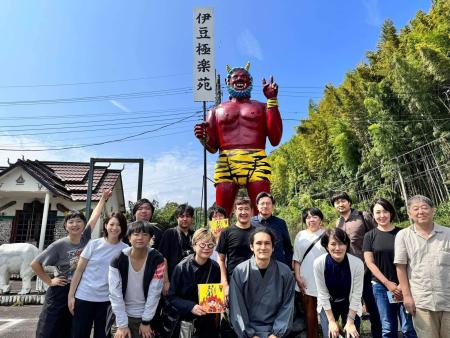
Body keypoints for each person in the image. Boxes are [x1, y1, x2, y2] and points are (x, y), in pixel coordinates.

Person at [194, 63, 283, 216]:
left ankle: (261, 240)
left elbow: (275, 139)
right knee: (220, 213)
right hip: (226, 161)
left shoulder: (262, 107)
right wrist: (203, 137)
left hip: (257, 159)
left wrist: (272, 101)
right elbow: (213, 147)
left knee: (262, 211)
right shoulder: (215, 111)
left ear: (250, 81)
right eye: (235, 77)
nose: (240, 79)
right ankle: (219, 239)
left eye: (244, 77)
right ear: (228, 82)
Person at [31, 189, 112, 338]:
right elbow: (35, 264)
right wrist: (50, 281)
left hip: (79, 290)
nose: (75, 225)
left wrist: (103, 199)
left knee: (72, 327)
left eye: (79, 221)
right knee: (49, 327)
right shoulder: (59, 245)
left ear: (83, 224)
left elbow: (94, 217)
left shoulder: (85, 238)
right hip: (60, 290)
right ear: (66, 226)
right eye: (71, 222)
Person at [394, 195, 450, 338]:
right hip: (421, 302)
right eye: (416, 209)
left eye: (425, 208)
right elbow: (400, 267)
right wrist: (407, 297)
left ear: (433, 211)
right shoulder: (403, 236)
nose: (421, 212)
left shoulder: (447, 234)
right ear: (409, 213)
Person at [68, 211, 129, 338]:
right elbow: (79, 270)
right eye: (111, 224)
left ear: (123, 228)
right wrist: (71, 296)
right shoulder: (93, 244)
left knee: (102, 335)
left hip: (107, 301)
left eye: (119, 225)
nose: (114, 228)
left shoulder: (126, 250)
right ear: (106, 225)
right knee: (79, 334)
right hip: (84, 297)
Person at [363, 198, 417, 338]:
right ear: (373, 215)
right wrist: (388, 284)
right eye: (378, 212)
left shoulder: (404, 233)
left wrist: (402, 285)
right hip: (381, 286)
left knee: (409, 328)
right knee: (387, 328)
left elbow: (411, 260)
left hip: (405, 285)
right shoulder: (369, 236)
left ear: (391, 212)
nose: (382, 215)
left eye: (385, 211)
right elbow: (370, 263)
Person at [331, 191, 382, 338]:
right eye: (337, 202)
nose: (340, 204)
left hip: (367, 270)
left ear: (349, 202)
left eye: (343, 201)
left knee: (373, 307)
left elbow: (375, 236)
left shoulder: (363, 216)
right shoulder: (338, 223)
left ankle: (377, 335)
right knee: (352, 307)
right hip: (349, 272)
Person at [229, 227, 295, 338]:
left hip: (276, 331)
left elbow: (288, 306)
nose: (263, 247)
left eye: (267, 243)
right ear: (251, 246)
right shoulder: (240, 271)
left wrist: (276, 334)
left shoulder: (285, 272)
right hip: (248, 332)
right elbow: (237, 308)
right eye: (258, 243)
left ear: (273, 247)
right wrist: (250, 335)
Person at [108, 221, 165, 338]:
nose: (140, 238)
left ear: (150, 238)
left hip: (147, 315)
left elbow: (155, 292)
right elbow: (115, 293)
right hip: (122, 315)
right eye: (136, 234)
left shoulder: (157, 259)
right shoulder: (118, 259)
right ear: (129, 237)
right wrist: (122, 325)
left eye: (145, 234)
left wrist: (146, 321)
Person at [167, 228, 221, 338]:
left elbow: (215, 295)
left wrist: (219, 302)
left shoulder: (215, 267)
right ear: (194, 245)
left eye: (210, 245)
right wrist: (191, 306)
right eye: (202, 245)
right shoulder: (182, 267)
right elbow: (172, 297)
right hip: (186, 322)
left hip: (207, 323)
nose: (206, 248)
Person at [314, 228, 364, 338]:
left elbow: (356, 295)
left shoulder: (357, 264)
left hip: (349, 302)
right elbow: (322, 294)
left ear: (346, 245)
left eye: (341, 244)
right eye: (333, 244)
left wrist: (350, 322)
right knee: (331, 334)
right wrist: (331, 321)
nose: (337, 248)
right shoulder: (319, 263)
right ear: (327, 246)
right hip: (328, 303)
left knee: (352, 334)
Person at [292, 207, 327, 338]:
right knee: (310, 315)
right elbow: (296, 259)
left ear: (320, 219)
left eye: (314, 217)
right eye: (308, 217)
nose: (311, 220)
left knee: (328, 313)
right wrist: (297, 277)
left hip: (325, 280)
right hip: (305, 280)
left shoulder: (327, 234)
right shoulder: (300, 235)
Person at [216, 197, 255, 301]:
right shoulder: (226, 232)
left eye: (246, 209)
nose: (243, 212)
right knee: (235, 314)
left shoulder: (258, 232)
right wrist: (224, 283)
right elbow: (220, 259)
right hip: (234, 280)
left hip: (255, 280)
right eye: (240, 209)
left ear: (251, 211)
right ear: (234, 211)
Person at [251, 192, 293, 266]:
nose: (265, 206)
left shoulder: (281, 223)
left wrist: (288, 266)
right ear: (257, 206)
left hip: (279, 266)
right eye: (262, 203)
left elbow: (288, 247)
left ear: (273, 206)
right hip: (257, 267)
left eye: (268, 203)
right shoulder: (251, 223)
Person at [158, 204, 195, 282]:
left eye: (188, 216)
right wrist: (165, 281)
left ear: (192, 218)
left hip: (192, 278)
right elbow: (163, 258)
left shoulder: (195, 235)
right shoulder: (169, 233)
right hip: (173, 279)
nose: (185, 219)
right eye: (181, 216)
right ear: (177, 218)